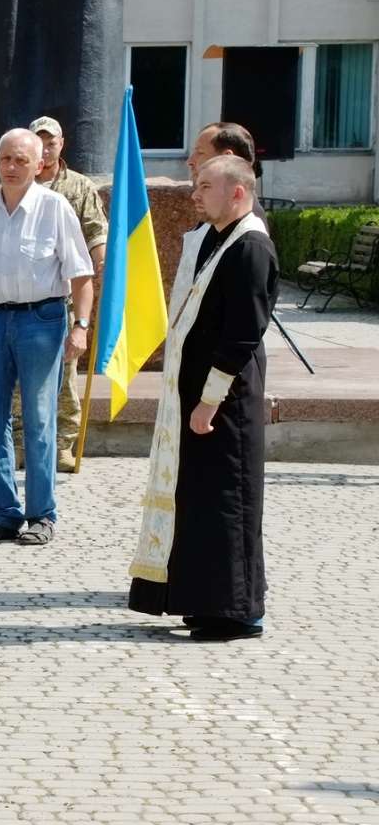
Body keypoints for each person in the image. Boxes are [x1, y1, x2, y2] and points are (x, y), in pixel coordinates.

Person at [129, 157, 278, 642]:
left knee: (228, 501)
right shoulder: (216, 237)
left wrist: (209, 400)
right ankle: (200, 600)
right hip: (196, 394)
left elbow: (242, 333)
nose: (195, 194)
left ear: (237, 193)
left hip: (226, 401)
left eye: (206, 186)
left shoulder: (251, 246)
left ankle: (234, 610)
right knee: (197, 498)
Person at [0, 128, 94, 546]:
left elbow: (80, 275)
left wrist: (81, 327)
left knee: (40, 420)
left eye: (21, 160)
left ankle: (42, 515)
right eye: (5, 158)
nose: (11, 167)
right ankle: (5, 514)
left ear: (40, 164)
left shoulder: (55, 208)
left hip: (41, 321)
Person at [19, 116, 108, 472]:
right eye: (39, 140)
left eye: (51, 139)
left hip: (66, 297)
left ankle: (63, 444)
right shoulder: (18, 182)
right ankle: (25, 445)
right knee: (21, 377)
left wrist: (101, 262)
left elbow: (95, 231)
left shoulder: (79, 187)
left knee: (66, 374)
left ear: (61, 143)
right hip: (25, 294)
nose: (47, 145)